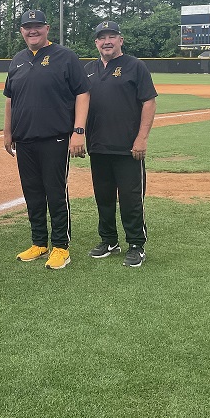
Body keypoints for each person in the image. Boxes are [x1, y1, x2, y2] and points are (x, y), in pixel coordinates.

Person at [4, 8, 90, 270]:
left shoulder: (65, 57)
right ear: (22, 31)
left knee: (55, 192)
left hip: (55, 138)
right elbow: (10, 99)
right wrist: (8, 132)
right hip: (24, 139)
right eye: (27, 27)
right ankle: (39, 242)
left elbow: (83, 93)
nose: (33, 31)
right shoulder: (18, 60)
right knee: (32, 193)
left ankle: (61, 247)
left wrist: (78, 131)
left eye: (37, 26)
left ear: (47, 28)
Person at [84, 21, 158, 268]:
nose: (107, 41)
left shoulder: (135, 66)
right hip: (98, 145)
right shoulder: (89, 69)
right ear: (96, 42)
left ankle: (136, 244)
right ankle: (109, 240)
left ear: (120, 40)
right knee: (103, 197)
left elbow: (149, 102)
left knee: (131, 198)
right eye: (102, 37)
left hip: (128, 147)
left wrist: (142, 138)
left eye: (111, 36)